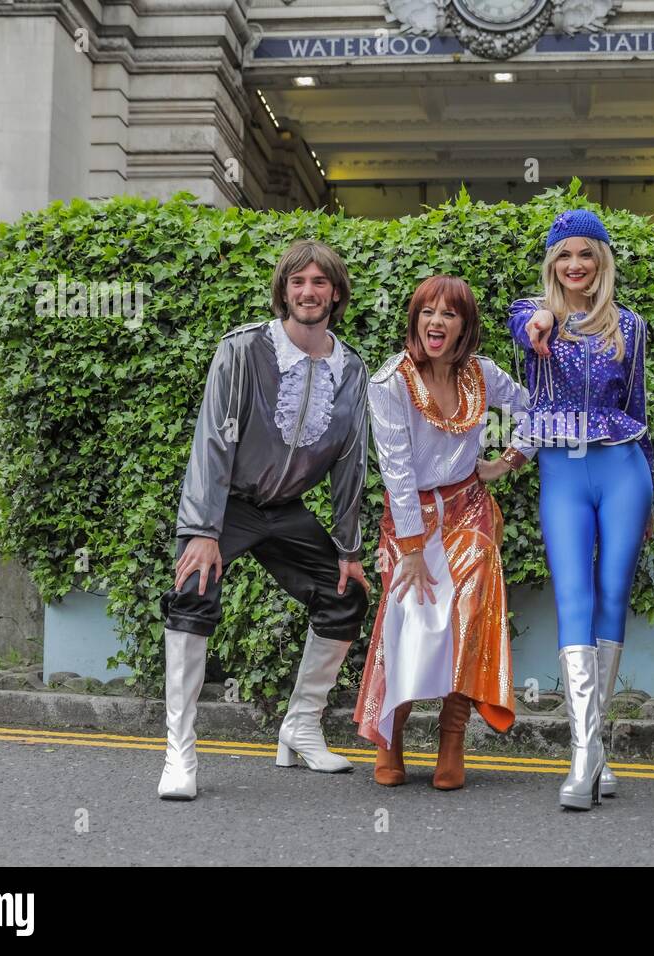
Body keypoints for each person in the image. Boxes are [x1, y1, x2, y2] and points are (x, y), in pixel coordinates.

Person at [157, 239, 371, 800]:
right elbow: (212, 442)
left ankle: (300, 727)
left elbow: (351, 462)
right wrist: (203, 532)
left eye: (319, 282)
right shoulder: (244, 349)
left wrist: (348, 549)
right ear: (284, 291)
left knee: (344, 595)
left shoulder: (351, 371)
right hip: (230, 505)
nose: (308, 292)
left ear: (335, 294)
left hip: (287, 510)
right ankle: (180, 751)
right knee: (192, 589)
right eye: (298, 282)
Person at [355, 275, 534, 790]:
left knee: (466, 622)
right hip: (411, 520)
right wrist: (410, 549)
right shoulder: (391, 380)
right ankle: (392, 740)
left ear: (464, 326)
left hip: (469, 513)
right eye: (427, 311)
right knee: (407, 623)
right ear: (414, 318)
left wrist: (506, 461)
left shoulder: (482, 374)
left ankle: (452, 741)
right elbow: (397, 472)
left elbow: (533, 411)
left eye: (449, 314)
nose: (437, 321)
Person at [508, 209, 654, 811]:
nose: (575, 265)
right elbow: (525, 329)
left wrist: (651, 492)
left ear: (601, 262)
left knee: (614, 596)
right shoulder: (531, 316)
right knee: (574, 596)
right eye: (564, 255)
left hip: (624, 468)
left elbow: (639, 401)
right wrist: (542, 319)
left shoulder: (632, 325)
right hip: (562, 468)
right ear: (552, 264)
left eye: (586, 254)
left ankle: (595, 747)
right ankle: (582, 752)